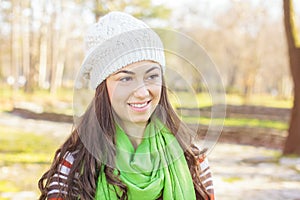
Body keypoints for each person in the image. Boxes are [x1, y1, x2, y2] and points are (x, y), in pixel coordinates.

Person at [38, 11, 214, 200]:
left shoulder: (191, 159)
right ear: (103, 87)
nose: (142, 91)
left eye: (151, 76)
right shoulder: (76, 165)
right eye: (126, 78)